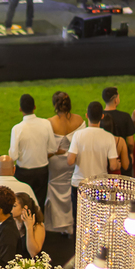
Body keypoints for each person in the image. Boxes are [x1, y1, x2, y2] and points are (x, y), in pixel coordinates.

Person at [66, 101, 120, 219]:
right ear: (102, 116)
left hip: (80, 184)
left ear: (87, 115)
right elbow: (113, 166)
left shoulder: (78, 135)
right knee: (99, 219)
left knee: (80, 220)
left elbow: (70, 161)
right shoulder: (109, 137)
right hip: (100, 185)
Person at [9, 93, 58, 210]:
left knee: (23, 205)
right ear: (34, 107)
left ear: (20, 109)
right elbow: (53, 148)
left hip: (23, 172)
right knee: (39, 205)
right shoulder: (46, 124)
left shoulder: (17, 128)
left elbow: (13, 156)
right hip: (42, 170)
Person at [44, 91, 84, 234]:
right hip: (73, 161)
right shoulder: (79, 120)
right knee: (70, 189)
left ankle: (58, 224)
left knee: (55, 189)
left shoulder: (49, 122)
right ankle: (70, 224)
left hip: (56, 163)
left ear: (55, 105)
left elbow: (46, 147)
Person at [102, 87, 135, 171]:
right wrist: (131, 153)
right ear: (116, 100)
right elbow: (131, 143)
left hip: (103, 160)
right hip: (122, 159)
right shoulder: (125, 117)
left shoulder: (100, 117)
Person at [14, 192, 45, 258]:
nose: (10, 208)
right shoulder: (11, 222)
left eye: (14, 206)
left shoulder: (38, 226)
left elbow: (33, 252)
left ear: (24, 208)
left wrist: (29, 227)